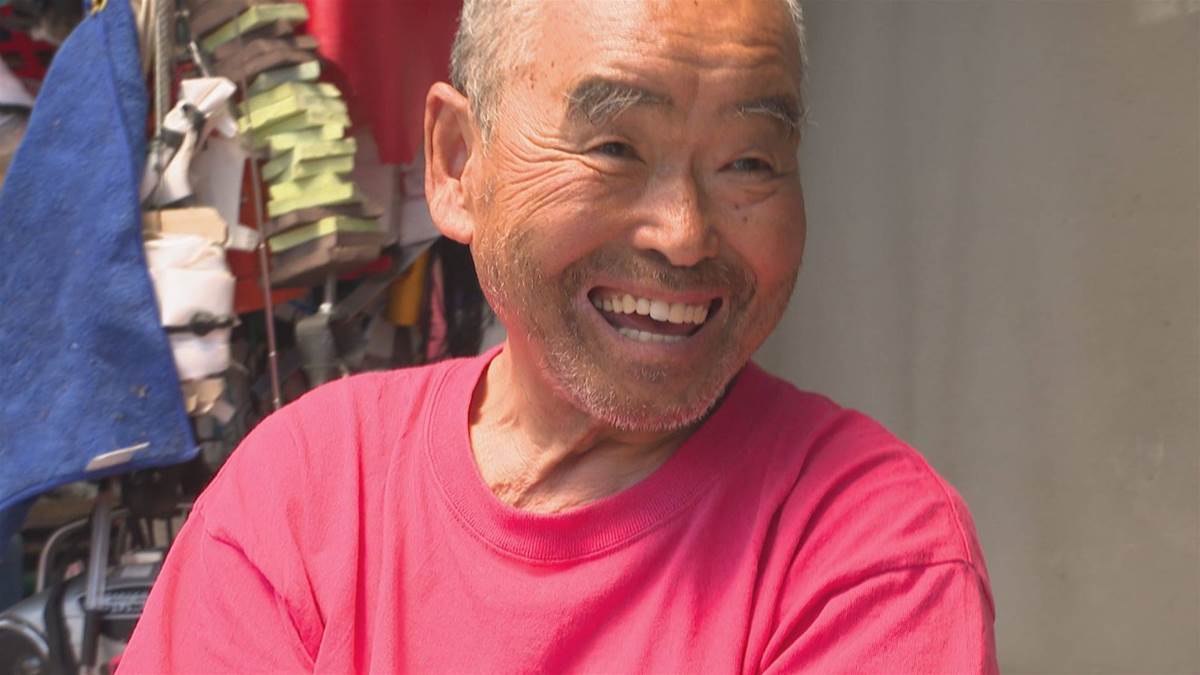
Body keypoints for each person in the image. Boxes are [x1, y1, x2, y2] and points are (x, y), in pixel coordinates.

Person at [119, 0, 998, 672]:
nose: (685, 234)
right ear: (458, 163)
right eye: (616, 148)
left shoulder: (871, 548)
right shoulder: (305, 491)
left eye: (749, 162)